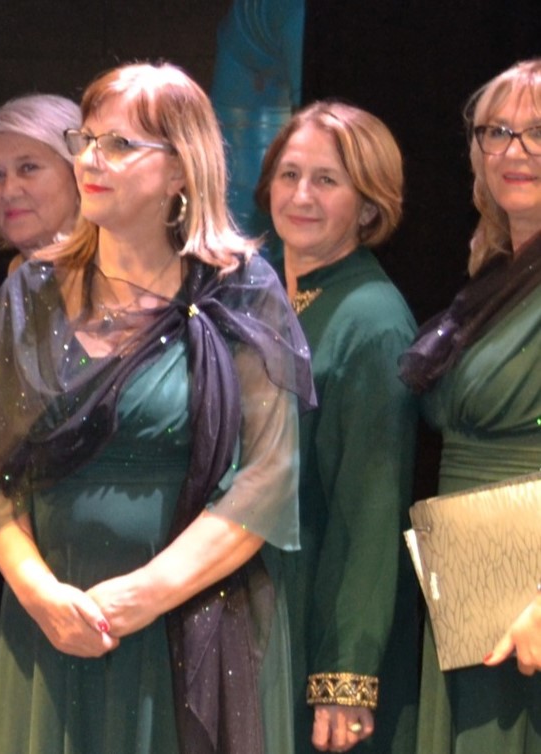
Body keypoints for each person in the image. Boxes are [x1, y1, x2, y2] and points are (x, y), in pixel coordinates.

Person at [0, 61, 316, 753]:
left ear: (180, 170)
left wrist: (144, 595)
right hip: (53, 623)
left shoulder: (239, 290)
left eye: (119, 144)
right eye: (86, 140)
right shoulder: (33, 292)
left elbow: (268, 478)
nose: (91, 159)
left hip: (189, 620)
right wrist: (39, 594)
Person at [256, 101, 418, 754]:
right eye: (289, 174)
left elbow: (370, 513)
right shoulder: (271, 299)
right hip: (261, 610)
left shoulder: (372, 321)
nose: (301, 196)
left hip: (314, 621)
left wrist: (345, 674)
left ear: (369, 205)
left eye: (326, 180)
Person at [401, 58, 541, 754]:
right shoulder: (495, 273)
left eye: (539, 132)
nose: (515, 150)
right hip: (473, 583)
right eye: (497, 131)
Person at [0, 93, 82, 275]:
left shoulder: (121, 278)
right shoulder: (8, 278)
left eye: (28, 167)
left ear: (79, 173)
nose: (9, 191)